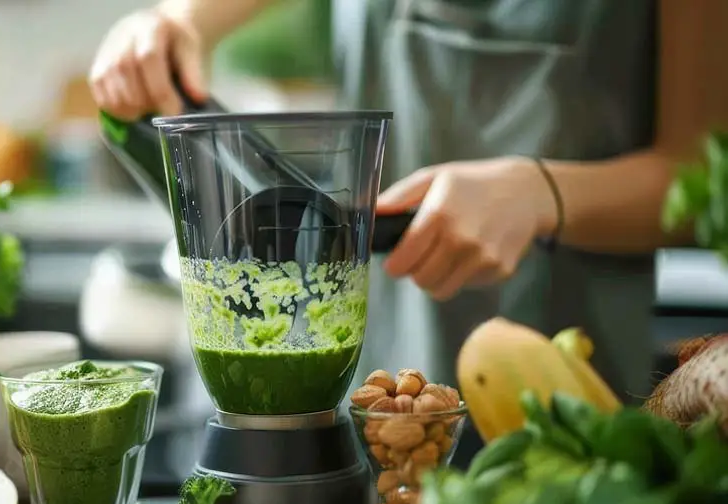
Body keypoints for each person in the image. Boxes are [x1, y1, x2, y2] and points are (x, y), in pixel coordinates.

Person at [88, 0, 728, 408]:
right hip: (363, 369)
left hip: (568, 389)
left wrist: (541, 194)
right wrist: (172, 22)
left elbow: (702, 182)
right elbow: (184, 23)